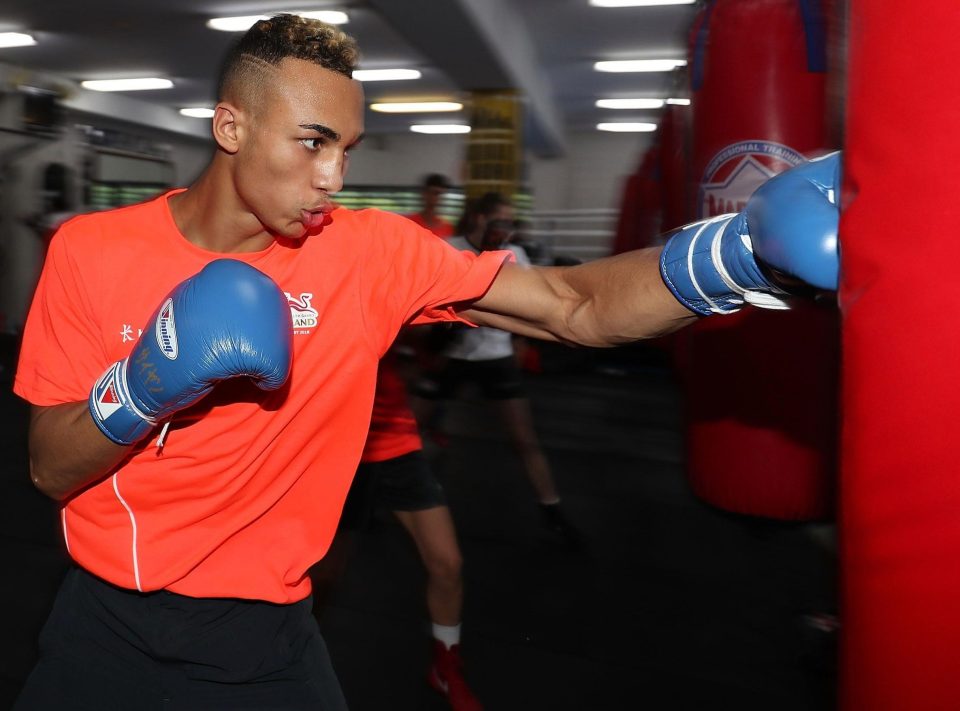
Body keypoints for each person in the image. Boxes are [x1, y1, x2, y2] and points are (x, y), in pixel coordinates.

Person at [11, 11, 840, 709]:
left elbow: (572, 305)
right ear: (231, 126)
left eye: (348, 148)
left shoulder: (368, 254)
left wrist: (736, 258)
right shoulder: (92, 250)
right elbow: (51, 467)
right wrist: (144, 385)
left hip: (267, 639)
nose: (334, 175)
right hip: (104, 626)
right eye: (311, 143)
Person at [317, 350, 483, 711]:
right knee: (326, 577)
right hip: (342, 443)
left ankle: (445, 666)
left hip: (397, 439)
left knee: (448, 563)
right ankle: (297, 660)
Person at [412, 192, 580, 545]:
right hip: (452, 355)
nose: (505, 228)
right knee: (408, 431)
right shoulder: (448, 247)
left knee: (524, 438)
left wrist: (522, 341)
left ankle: (551, 508)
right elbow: (424, 303)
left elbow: (532, 304)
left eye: (509, 222)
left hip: (495, 356)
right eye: (498, 220)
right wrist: (434, 340)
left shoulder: (513, 255)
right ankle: (383, 497)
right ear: (478, 218)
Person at [405, 172, 456, 239]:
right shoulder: (409, 223)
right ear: (425, 194)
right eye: (435, 193)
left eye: (441, 194)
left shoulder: (448, 228)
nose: (438, 198)